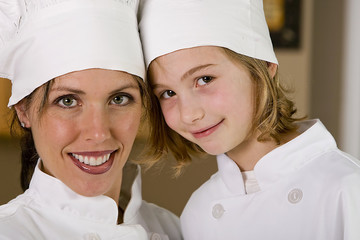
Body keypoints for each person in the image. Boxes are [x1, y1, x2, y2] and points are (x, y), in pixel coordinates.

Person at [138, 0, 360, 239]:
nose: (189, 114)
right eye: (167, 93)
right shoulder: (198, 211)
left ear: (263, 66)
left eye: (204, 79)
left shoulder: (346, 189)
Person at [0, 0, 181, 239]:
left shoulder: (177, 228)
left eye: (119, 99)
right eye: (67, 101)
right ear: (23, 110)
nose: (98, 133)